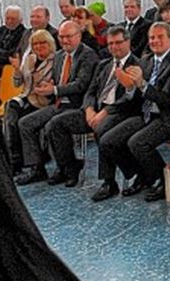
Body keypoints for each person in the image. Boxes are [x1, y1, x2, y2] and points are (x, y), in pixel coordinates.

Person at [100, 22, 170, 202]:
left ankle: (162, 179)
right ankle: (141, 173)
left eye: (159, 37)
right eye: (151, 37)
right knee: (107, 140)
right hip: (145, 114)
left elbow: (168, 100)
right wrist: (129, 88)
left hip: (167, 116)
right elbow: (137, 96)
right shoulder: (146, 59)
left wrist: (141, 84)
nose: (154, 41)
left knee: (137, 142)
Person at [43, 26, 139, 190]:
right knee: (55, 124)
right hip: (94, 112)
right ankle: (69, 168)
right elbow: (91, 91)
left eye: (118, 43)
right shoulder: (104, 65)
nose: (114, 47)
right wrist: (89, 109)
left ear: (128, 42)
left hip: (119, 112)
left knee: (101, 129)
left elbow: (130, 98)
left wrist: (104, 112)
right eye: (110, 44)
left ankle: (108, 182)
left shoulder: (136, 64)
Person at [14, 21, 99, 185]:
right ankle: (36, 168)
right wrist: (48, 86)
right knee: (25, 123)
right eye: (61, 36)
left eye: (68, 36)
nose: (65, 40)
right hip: (59, 104)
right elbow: (56, 80)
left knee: (52, 125)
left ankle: (68, 168)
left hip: (79, 106)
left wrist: (54, 89)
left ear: (78, 36)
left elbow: (81, 85)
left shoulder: (88, 55)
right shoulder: (59, 56)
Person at [4, 29, 56, 172]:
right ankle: (15, 159)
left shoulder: (56, 60)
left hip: (45, 101)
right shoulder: (29, 59)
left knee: (23, 120)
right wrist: (17, 70)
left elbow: (54, 86)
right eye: (35, 44)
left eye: (42, 43)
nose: (39, 46)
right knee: (12, 110)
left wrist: (46, 85)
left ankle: (32, 164)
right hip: (27, 97)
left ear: (50, 44)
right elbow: (17, 83)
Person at [0, 5, 27, 78]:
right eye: (7, 18)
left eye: (13, 19)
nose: (9, 21)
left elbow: (15, 56)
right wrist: (5, 55)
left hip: (13, 74)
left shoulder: (25, 34)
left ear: (20, 20)